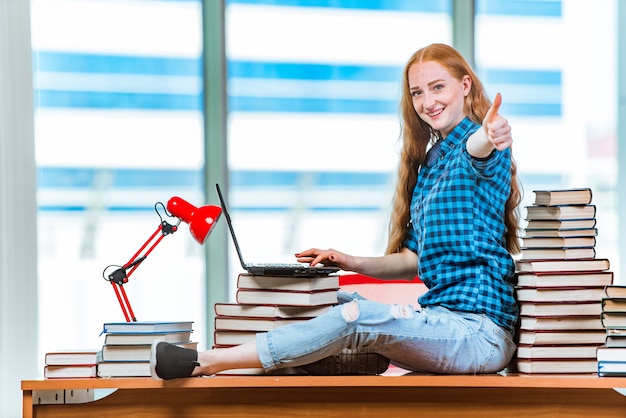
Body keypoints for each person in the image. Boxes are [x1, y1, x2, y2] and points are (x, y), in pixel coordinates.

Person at [150, 43, 522, 379]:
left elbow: (481, 145)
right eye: (417, 92)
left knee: (356, 317)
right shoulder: (430, 165)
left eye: (438, 87)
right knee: (330, 299)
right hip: (437, 321)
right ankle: (286, 362)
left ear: (465, 86)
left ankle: (205, 362)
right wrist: (347, 261)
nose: (427, 102)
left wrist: (492, 133)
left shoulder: (478, 150)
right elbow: (411, 260)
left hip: (479, 333)